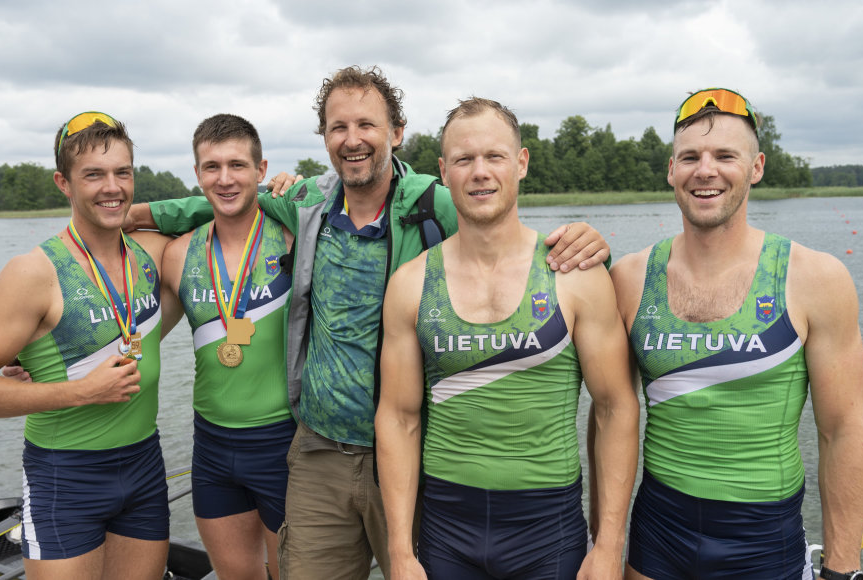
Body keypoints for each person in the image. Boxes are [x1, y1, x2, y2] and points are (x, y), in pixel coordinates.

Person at [125, 65, 611, 579]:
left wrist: (582, 241)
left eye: (367, 125)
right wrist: (124, 212)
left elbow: (499, 216)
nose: (352, 140)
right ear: (325, 138)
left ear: (396, 133)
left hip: (409, 451)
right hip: (318, 450)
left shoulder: (434, 202)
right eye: (339, 127)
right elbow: (229, 196)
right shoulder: (308, 201)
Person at [604, 88, 863, 580]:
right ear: (671, 170)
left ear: (756, 167)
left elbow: (843, 431)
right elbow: (608, 415)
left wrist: (842, 568)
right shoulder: (629, 277)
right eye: (690, 157)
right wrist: (606, 545)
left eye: (725, 155)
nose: (705, 170)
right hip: (658, 530)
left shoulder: (815, 278)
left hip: (765, 537)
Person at [374, 97, 640, 580]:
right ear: (443, 171)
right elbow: (398, 416)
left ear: (520, 164)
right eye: (464, 159)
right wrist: (399, 550)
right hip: (445, 525)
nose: (480, 172)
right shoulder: (411, 283)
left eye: (495, 156)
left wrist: (607, 546)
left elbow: (616, 408)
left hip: (547, 526)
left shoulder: (574, 273)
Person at [0, 112, 180, 580]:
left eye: (122, 173)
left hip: (145, 465)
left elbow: (218, 203)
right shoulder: (32, 272)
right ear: (63, 183)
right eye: (93, 175)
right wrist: (81, 392)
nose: (111, 187)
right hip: (65, 477)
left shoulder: (150, 253)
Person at [158, 114, 295, 580]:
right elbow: (138, 334)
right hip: (213, 448)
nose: (225, 178)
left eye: (237, 164)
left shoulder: (295, 239)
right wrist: (38, 361)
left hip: (286, 443)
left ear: (262, 170)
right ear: (197, 175)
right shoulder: (178, 255)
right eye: (211, 166)